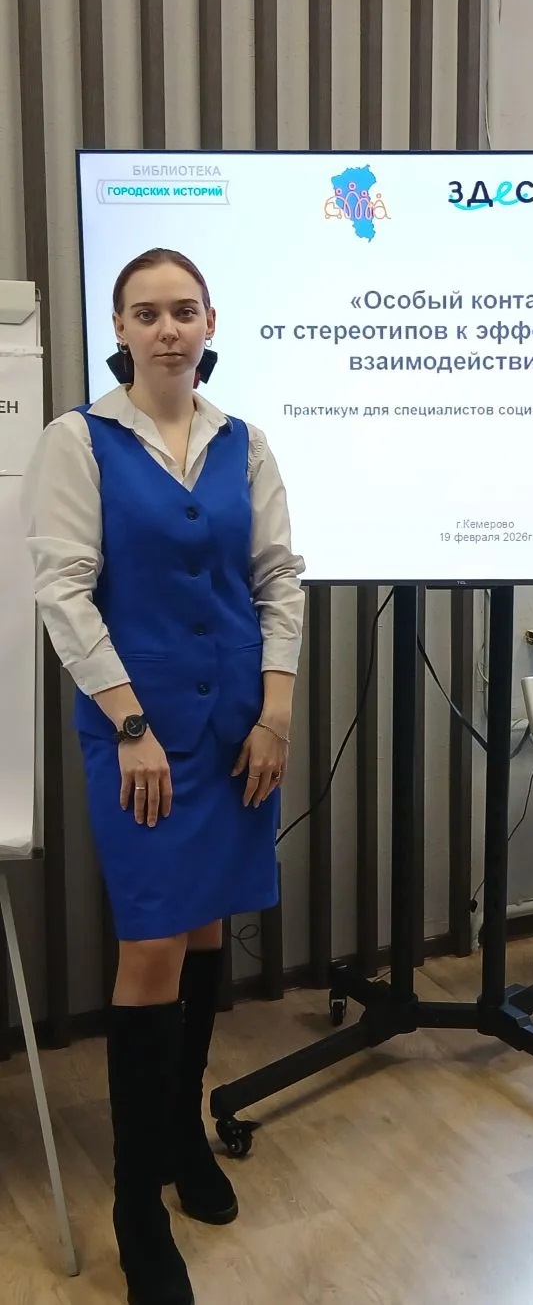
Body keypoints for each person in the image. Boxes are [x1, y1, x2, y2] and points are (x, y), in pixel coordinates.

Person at [22, 247, 305, 1305]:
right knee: (149, 945)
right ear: (120, 327)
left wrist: (275, 713)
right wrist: (131, 724)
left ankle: (184, 1135)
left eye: (184, 310)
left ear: (210, 321)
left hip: (236, 727)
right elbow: (64, 591)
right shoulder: (78, 440)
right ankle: (136, 1203)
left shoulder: (245, 441)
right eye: (147, 313)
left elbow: (277, 579)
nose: (168, 329)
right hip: (135, 730)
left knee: (204, 931)